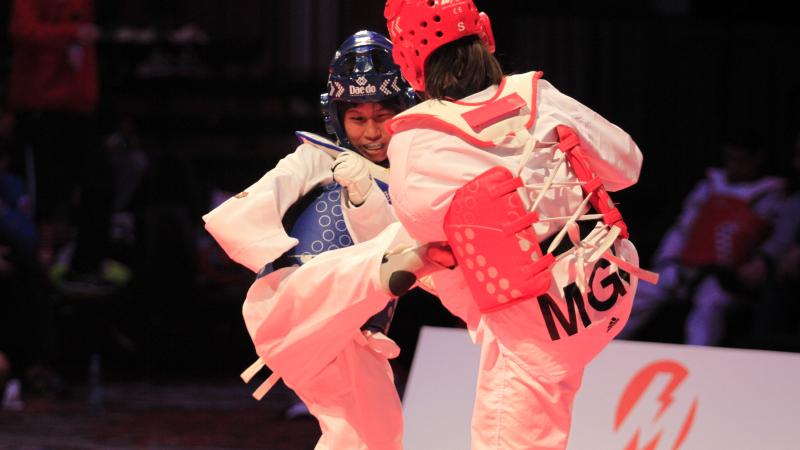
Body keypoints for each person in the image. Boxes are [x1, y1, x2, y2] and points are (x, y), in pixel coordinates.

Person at [379, 1, 654, 448]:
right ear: (484, 34)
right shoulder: (540, 95)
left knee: (416, 243)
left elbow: (419, 222)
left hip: (538, 326)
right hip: (613, 287)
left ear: (409, 62)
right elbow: (628, 165)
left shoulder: (417, 134)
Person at [203, 30, 417, 450]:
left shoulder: (415, 178)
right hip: (298, 303)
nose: (372, 132)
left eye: (382, 117)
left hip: (353, 332)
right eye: (358, 119)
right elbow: (237, 215)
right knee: (403, 243)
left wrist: (367, 198)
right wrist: (281, 266)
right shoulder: (317, 157)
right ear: (337, 117)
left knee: (376, 436)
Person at [621, 136, 785, 345]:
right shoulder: (709, 185)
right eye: (730, 158)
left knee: (709, 304)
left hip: (727, 277)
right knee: (636, 293)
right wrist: (667, 260)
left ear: (757, 160)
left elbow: (773, 240)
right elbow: (682, 228)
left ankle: (699, 360)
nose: (734, 165)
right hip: (685, 267)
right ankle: (605, 347)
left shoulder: (771, 194)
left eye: (740, 160)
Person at [9, 0, 116, 295]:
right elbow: (22, 29)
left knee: (100, 184)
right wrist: (72, 33)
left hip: (78, 109)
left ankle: (84, 268)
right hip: (40, 109)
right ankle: (33, 276)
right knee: (44, 195)